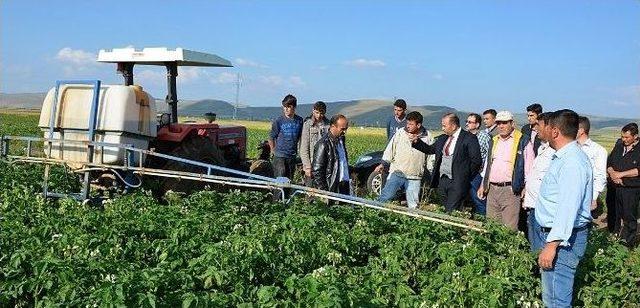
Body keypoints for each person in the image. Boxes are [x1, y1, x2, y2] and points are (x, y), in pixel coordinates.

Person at [532, 109, 593, 307]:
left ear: (555, 131)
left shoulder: (572, 162)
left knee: (557, 300)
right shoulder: (564, 157)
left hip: (562, 242)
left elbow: (568, 207)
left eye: (547, 127)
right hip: (555, 237)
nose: (543, 130)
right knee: (551, 297)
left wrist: (552, 245)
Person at [410, 113, 482, 213]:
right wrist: (417, 142)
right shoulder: (443, 138)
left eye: (444, 125)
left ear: (453, 126)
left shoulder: (468, 138)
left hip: (458, 182)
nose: (442, 128)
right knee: (445, 209)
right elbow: (430, 149)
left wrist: (465, 176)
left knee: (451, 211)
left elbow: (476, 161)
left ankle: (451, 227)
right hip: (442, 182)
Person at [478, 111, 527, 231]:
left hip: (510, 189)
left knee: (509, 228)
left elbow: (529, 167)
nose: (501, 126)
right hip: (492, 189)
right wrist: (483, 184)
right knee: (492, 225)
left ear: (512, 123)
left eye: (504, 123)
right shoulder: (494, 140)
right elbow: (488, 165)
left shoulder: (522, 140)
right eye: (499, 123)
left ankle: (508, 250)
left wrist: (526, 188)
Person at [375, 111, 433, 209]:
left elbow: (431, 156)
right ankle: (374, 212)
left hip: (415, 176)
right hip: (397, 173)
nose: (408, 126)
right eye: (407, 123)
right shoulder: (400, 133)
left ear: (418, 125)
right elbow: (390, 149)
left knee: (413, 204)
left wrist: (431, 170)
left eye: (411, 124)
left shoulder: (427, 136)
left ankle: (412, 221)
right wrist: (383, 163)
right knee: (386, 196)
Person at [522, 112, 555, 245]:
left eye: (538, 125)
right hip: (533, 206)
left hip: (544, 210)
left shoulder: (556, 153)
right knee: (534, 245)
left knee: (542, 246)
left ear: (550, 128)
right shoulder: (542, 148)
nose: (535, 128)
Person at [607, 123, 640, 247]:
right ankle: (613, 237)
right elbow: (609, 162)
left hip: (631, 189)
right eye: (622, 137)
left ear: (635, 136)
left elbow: (638, 170)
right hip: (615, 187)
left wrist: (621, 175)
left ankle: (628, 242)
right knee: (614, 213)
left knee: (629, 216)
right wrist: (613, 174)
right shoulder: (619, 146)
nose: (624, 140)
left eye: (627, 137)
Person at [268, 94, 304, 184]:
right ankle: (277, 198)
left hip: (292, 155)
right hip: (280, 156)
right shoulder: (279, 121)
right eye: (284, 107)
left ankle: (286, 198)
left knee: (288, 181)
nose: (286, 109)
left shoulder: (299, 121)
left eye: (289, 107)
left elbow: (300, 137)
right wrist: (273, 151)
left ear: (294, 107)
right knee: (280, 181)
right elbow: (271, 137)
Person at [312, 114, 350, 195]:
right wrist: (324, 192)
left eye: (346, 129)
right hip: (332, 187)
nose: (344, 132)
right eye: (342, 129)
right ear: (333, 126)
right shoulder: (323, 144)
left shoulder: (341, 140)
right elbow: (317, 171)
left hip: (344, 185)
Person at [576, 116, 607, 211]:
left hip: (586, 195)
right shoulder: (570, 147)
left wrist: (593, 198)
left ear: (581, 131)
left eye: (573, 128)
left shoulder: (598, 150)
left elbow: (600, 176)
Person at [465, 113, 491, 215]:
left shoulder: (484, 137)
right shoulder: (465, 136)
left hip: (478, 174)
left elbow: (489, 155)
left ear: (477, 125)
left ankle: (482, 222)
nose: (467, 124)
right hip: (466, 172)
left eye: (470, 122)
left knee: (479, 200)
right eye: (466, 122)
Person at [300, 101, 330, 187]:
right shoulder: (307, 124)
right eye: (317, 112)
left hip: (324, 164)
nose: (319, 115)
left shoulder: (328, 125)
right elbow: (304, 147)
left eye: (321, 113)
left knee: (323, 192)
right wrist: (307, 166)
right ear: (313, 110)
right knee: (310, 193)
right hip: (311, 164)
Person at [521, 103, 543, 181]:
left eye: (532, 116)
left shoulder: (544, 130)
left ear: (539, 115)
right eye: (528, 116)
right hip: (526, 163)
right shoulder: (525, 129)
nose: (529, 118)